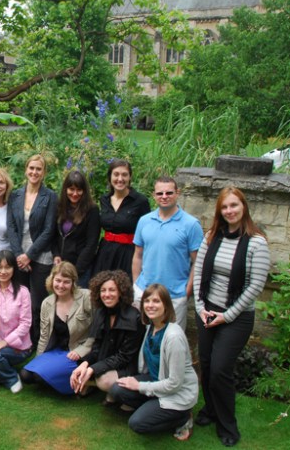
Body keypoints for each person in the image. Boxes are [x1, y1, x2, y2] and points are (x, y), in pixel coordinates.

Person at [193, 187, 270, 447]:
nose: (229, 211)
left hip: (236, 316)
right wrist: (200, 306)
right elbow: (199, 273)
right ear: (220, 211)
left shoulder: (256, 242)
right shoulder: (211, 237)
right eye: (225, 207)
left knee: (220, 369)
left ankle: (228, 425)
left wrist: (227, 316)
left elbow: (256, 286)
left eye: (234, 205)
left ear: (244, 207)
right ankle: (210, 411)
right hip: (208, 310)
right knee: (205, 363)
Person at [110, 284, 198, 441]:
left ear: (166, 305)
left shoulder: (173, 337)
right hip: (156, 380)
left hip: (177, 392)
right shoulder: (151, 327)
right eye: (147, 301)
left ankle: (183, 417)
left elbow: (175, 384)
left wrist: (140, 386)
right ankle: (153, 407)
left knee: (137, 423)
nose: (150, 305)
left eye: (156, 301)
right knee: (117, 389)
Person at [132, 176, 204, 330]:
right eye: (160, 193)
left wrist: (187, 290)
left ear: (177, 193)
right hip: (144, 292)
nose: (164, 197)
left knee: (171, 341)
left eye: (169, 193)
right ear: (154, 195)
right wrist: (136, 284)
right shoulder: (144, 221)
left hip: (174, 294)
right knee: (142, 339)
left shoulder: (191, 225)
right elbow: (138, 255)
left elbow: (198, 262)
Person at [70, 270, 145, 401]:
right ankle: (97, 386)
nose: (107, 294)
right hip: (107, 360)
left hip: (126, 365)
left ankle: (114, 392)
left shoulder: (134, 317)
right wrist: (85, 364)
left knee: (103, 381)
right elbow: (97, 347)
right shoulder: (101, 313)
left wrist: (92, 369)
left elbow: (124, 356)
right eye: (103, 290)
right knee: (77, 370)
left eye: (112, 290)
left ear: (121, 292)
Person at [20, 261, 93, 395]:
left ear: (73, 282)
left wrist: (83, 350)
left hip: (77, 351)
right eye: (58, 280)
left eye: (66, 281)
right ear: (52, 280)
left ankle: (81, 383)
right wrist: (39, 359)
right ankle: (68, 378)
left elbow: (98, 329)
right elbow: (44, 335)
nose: (61, 285)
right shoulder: (47, 303)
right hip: (58, 350)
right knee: (26, 375)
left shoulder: (86, 297)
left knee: (39, 376)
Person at [7, 154, 57, 345]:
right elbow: (11, 226)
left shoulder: (50, 196)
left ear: (44, 173)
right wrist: (20, 255)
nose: (34, 172)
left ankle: (38, 340)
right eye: (31, 168)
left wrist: (29, 255)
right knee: (21, 300)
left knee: (38, 303)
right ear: (26, 170)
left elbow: (49, 229)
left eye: (39, 169)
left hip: (40, 256)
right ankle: (21, 337)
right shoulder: (15, 195)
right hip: (19, 255)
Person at [0, 250, 32, 393]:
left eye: (7, 267)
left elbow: (26, 324)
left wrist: (6, 342)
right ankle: (6, 369)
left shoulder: (23, 292)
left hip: (19, 347)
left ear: (14, 269)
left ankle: (11, 378)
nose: (3, 271)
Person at [91, 159, 150, 280]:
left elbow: (147, 233)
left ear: (130, 177)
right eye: (116, 174)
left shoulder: (140, 201)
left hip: (128, 254)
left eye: (124, 174)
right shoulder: (104, 200)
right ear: (110, 177)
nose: (120, 179)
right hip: (105, 252)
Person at [53, 170, 100, 287]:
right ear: (65, 189)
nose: (75, 193)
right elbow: (54, 235)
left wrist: (76, 270)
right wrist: (56, 255)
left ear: (84, 191)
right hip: (61, 267)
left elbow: (91, 244)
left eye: (79, 190)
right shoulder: (59, 207)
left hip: (81, 269)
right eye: (71, 189)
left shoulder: (92, 210)